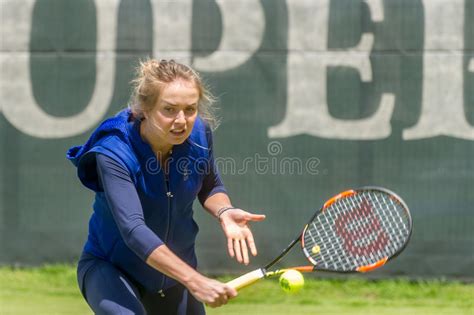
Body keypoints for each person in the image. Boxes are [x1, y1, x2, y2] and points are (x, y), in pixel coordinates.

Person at [67, 59, 266, 314]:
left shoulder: (199, 134)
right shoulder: (114, 152)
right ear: (144, 109)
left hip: (174, 277)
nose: (181, 120)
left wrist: (225, 212)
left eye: (190, 109)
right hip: (112, 270)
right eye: (169, 109)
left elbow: (210, 186)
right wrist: (195, 280)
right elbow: (134, 230)